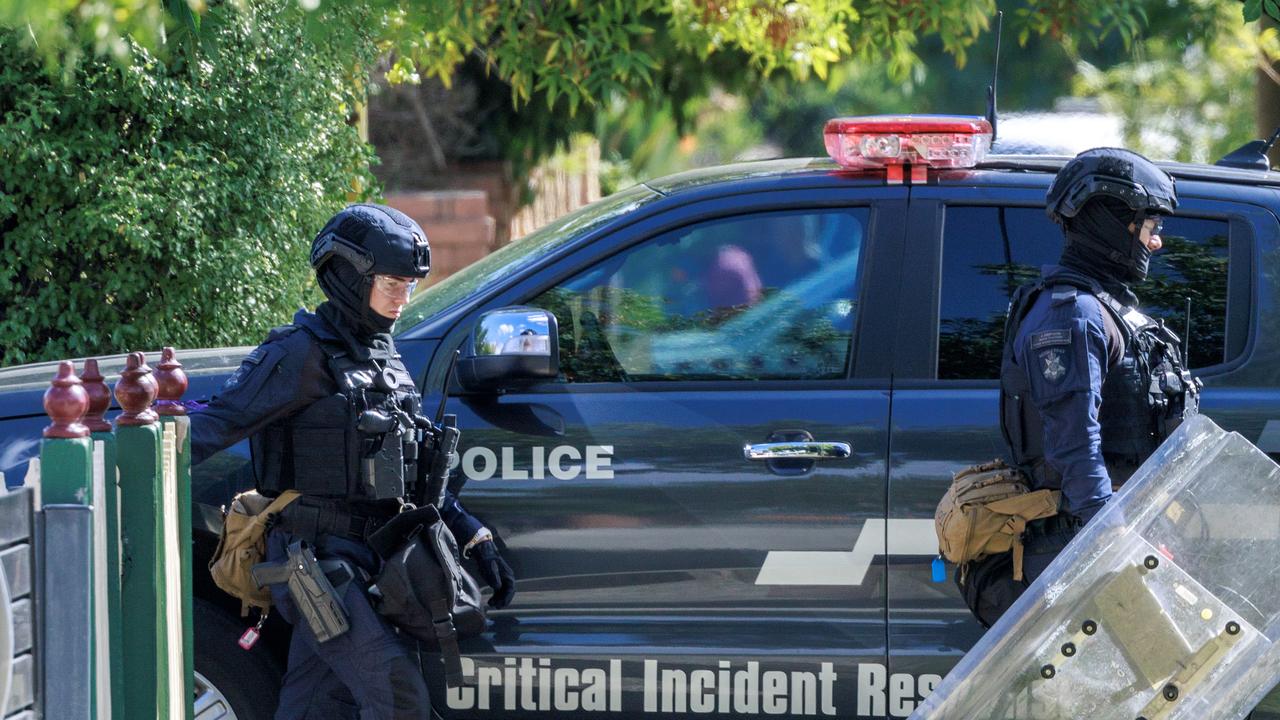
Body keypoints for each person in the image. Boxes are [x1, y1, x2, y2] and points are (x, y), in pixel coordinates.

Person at [190, 203, 516, 719]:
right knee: (398, 695)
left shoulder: (383, 354)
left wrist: (469, 530)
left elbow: (414, 469)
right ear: (345, 275)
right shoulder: (299, 353)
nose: (401, 298)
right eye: (390, 282)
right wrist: (127, 467)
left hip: (372, 560)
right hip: (314, 563)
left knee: (316, 702)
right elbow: (216, 424)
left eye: (409, 285)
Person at [968, 148, 1200, 625]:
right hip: (1081, 545)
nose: (1155, 244)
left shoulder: (1106, 310)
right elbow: (1075, 445)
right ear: (1114, 225)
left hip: (1117, 531)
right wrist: (1109, 543)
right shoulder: (1072, 315)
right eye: (1150, 228)